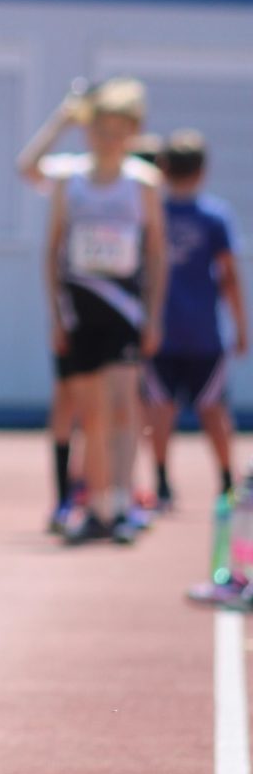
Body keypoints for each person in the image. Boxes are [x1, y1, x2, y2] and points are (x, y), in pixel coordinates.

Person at [18, 79, 161, 531]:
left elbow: (157, 254)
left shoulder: (143, 183)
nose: (109, 139)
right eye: (101, 129)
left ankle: (122, 503)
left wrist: (154, 315)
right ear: (88, 129)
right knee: (92, 412)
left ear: (134, 133)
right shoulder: (70, 178)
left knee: (123, 406)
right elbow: (50, 245)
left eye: (119, 131)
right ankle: (97, 505)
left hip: (125, 310)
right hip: (80, 308)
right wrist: (63, 118)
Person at [143, 130, 247, 508]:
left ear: (163, 168)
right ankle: (226, 480)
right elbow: (229, 276)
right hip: (203, 331)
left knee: (160, 407)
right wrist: (241, 326)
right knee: (213, 408)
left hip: (161, 330)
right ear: (202, 170)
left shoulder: (152, 212)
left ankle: (161, 482)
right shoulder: (214, 216)